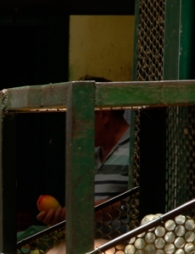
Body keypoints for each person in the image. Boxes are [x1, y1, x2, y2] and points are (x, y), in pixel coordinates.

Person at [36, 76, 130, 225]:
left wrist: (85, 213)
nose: (75, 126)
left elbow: (143, 204)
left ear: (104, 115)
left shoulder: (137, 150)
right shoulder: (90, 157)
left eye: (80, 118)